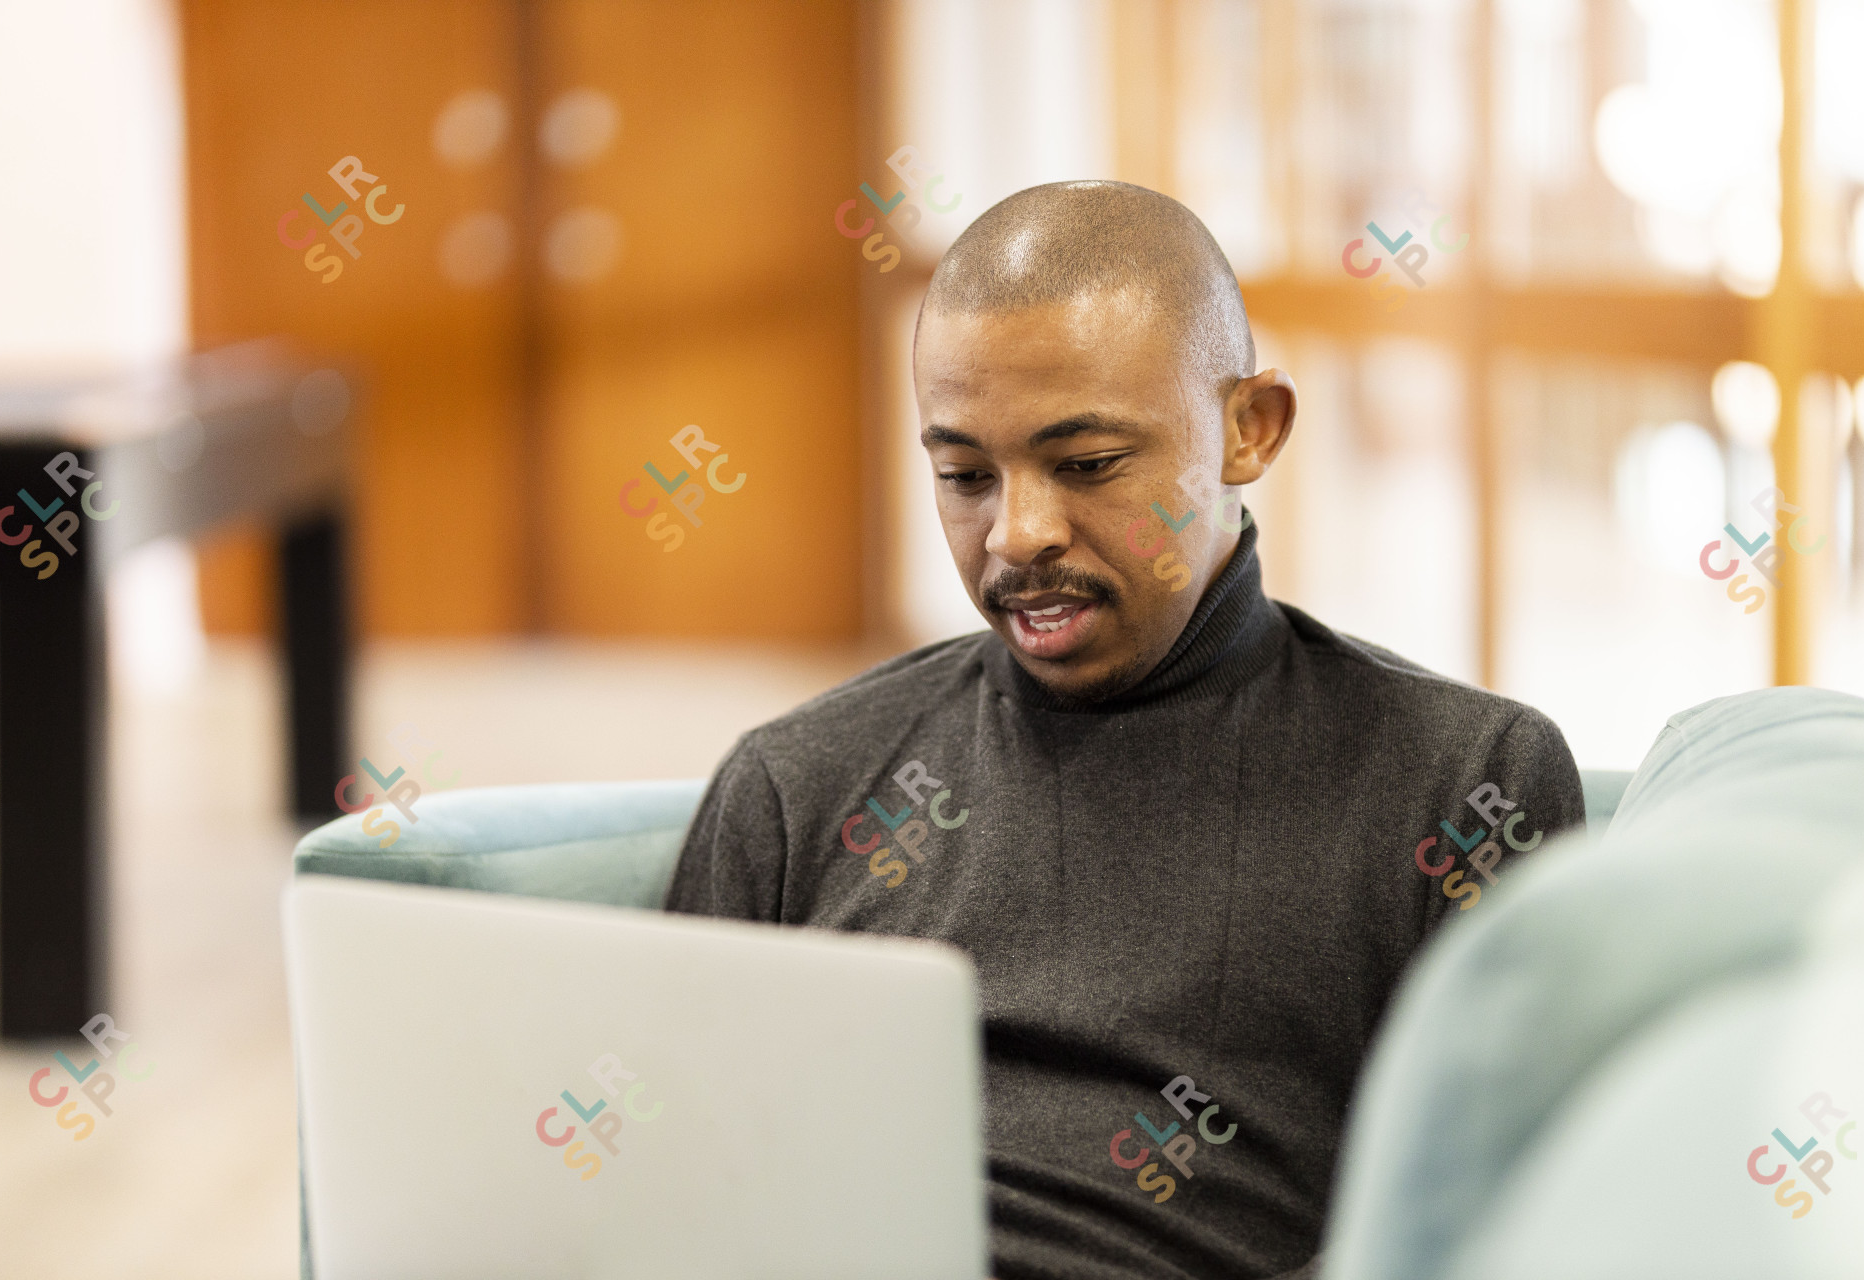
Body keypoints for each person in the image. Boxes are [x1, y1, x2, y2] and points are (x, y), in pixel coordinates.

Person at [665, 180, 1583, 1280]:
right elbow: (669, 1186)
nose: (1018, 534)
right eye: (964, 475)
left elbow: (1511, 1224)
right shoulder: (798, 782)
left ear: (1251, 428)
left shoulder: (1460, 782)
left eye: (1088, 464)